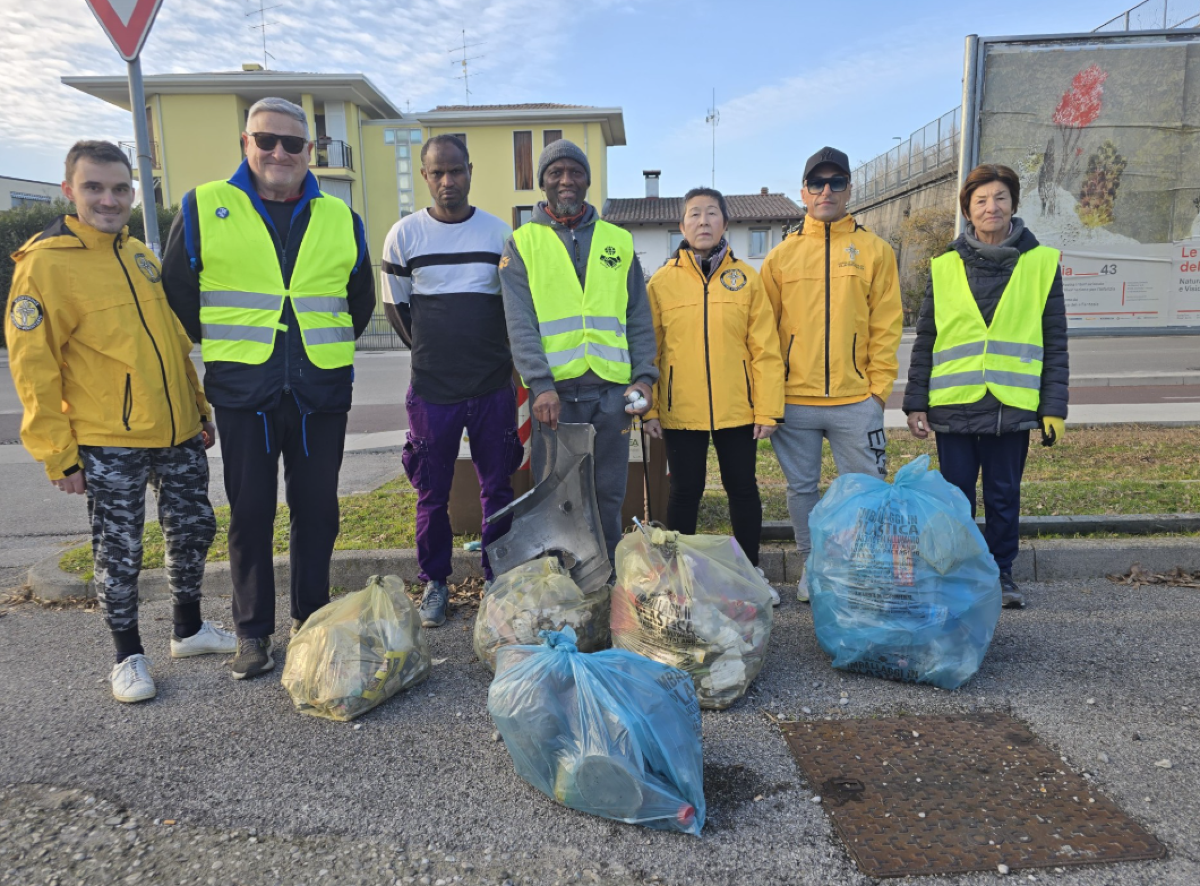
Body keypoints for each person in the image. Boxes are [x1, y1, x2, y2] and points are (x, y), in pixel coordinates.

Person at [7, 140, 230, 703]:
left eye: (120, 189)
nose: (109, 200)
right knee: (120, 549)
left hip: (176, 428)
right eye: (94, 188)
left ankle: (188, 628)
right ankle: (127, 654)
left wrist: (198, 407)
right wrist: (58, 452)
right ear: (69, 191)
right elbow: (33, 367)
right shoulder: (45, 265)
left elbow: (175, 343)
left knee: (193, 529)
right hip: (109, 441)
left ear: (133, 192)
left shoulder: (140, 255)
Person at [162, 97, 375, 678]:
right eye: (267, 140)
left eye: (293, 143)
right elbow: (178, 289)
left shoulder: (341, 217)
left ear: (310, 151)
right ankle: (253, 634)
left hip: (319, 392)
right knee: (251, 514)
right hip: (244, 391)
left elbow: (359, 302)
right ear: (245, 142)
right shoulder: (206, 205)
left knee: (317, 511)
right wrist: (237, 348)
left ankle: (310, 622)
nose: (279, 152)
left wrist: (314, 349)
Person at [904, 163, 1068, 609]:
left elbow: (1055, 341)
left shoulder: (1040, 263)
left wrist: (1054, 407)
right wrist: (915, 402)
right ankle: (958, 572)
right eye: (980, 200)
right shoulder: (944, 266)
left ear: (1013, 204)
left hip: (1011, 405)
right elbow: (927, 339)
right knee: (954, 498)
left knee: (1003, 494)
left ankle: (1002, 573)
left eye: (999, 197)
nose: (990, 207)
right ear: (968, 211)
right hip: (954, 404)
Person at [499, 139, 658, 571]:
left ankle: (604, 575)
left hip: (612, 393)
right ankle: (563, 578)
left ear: (587, 180)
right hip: (557, 399)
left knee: (608, 491)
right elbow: (521, 323)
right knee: (557, 494)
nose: (566, 180)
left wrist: (644, 377)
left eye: (575, 172)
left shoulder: (618, 241)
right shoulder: (521, 244)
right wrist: (540, 384)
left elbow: (638, 316)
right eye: (556, 172)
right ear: (543, 182)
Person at [381, 135, 520, 627]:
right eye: (437, 173)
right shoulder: (403, 237)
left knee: (496, 487)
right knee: (431, 493)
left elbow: (511, 307)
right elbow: (396, 307)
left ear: (470, 171)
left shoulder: (497, 233)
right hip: (432, 391)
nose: (447, 182)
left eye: (456, 171)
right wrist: (429, 351)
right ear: (424, 176)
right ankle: (435, 583)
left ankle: (498, 578)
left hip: (491, 387)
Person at [762, 146, 903, 602]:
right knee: (802, 489)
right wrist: (770, 396)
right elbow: (763, 334)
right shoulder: (780, 258)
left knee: (864, 491)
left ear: (848, 189)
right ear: (803, 191)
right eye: (817, 183)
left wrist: (877, 393)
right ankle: (812, 567)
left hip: (854, 400)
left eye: (836, 182)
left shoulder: (875, 251)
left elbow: (886, 326)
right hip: (795, 400)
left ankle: (862, 567)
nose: (827, 191)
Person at [642, 188, 785, 601]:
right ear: (681, 226)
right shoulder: (663, 282)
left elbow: (765, 349)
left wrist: (768, 410)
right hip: (679, 407)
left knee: (742, 487)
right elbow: (648, 348)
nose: (703, 222)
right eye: (693, 215)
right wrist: (649, 408)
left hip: (737, 408)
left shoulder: (747, 280)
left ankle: (750, 572)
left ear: (725, 222)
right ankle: (678, 578)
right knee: (685, 490)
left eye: (711, 214)